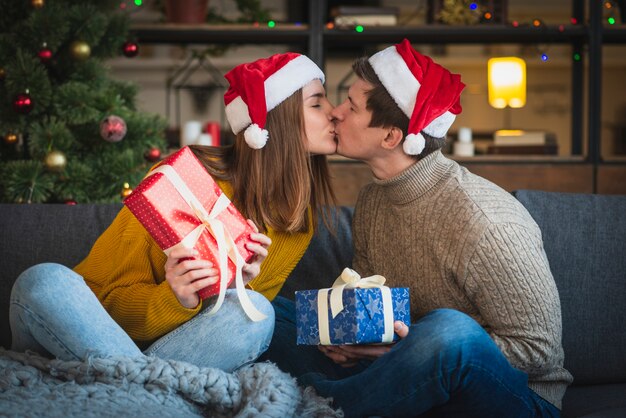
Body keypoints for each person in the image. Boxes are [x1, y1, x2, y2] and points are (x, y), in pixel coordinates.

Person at [261, 39, 573, 416]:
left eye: (352, 106)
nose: (336, 113)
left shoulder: (485, 220)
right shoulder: (374, 201)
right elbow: (374, 309)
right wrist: (352, 339)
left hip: (515, 398)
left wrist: (406, 351)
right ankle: (334, 396)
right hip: (403, 376)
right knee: (264, 312)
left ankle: (326, 404)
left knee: (449, 332)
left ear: (392, 136)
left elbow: (539, 350)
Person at [9, 52, 337, 373]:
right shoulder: (182, 180)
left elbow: (218, 334)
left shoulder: (296, 222)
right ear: (276, 117)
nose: (334, 113)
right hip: (82, 336)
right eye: (318, 103)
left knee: (255, 313)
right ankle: (144, 395)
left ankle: (125, 394)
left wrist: (238, 287)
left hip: (169, 357)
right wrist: (174, 298)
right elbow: (100, 305)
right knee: (45, 281)